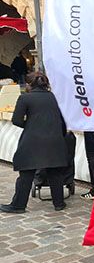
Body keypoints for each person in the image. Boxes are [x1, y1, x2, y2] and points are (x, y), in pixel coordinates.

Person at [1, 72, 68, 213]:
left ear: (29, 84)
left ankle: (18, 205)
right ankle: (59, 203)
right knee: (55, 172)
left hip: (32, 140)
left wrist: (32, 124)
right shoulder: (54, 97)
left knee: (26, 173)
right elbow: (62, 120)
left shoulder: (25, 98)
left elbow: (17, 120)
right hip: (54, 139)